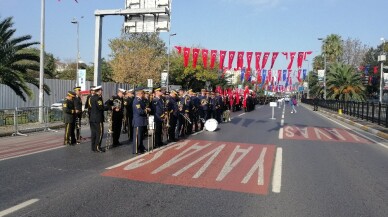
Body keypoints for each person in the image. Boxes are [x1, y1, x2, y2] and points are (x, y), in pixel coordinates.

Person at [89, 86, 107, 152]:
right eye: (101, 90)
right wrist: (109, 107)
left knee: (94, 133)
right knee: (99, 133)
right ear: (98, 91)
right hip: (98, 119)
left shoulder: (92, 97)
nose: (101, 92)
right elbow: (101, 107)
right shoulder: (98, 98)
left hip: (92, 118)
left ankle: (93, 147)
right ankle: (97, 147)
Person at [132, 88, 150, 154]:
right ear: (140, 94)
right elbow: (139, 111)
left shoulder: (140, 100)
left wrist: (146, 109)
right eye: (143, 93)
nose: (144, 95)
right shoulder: (136, 101)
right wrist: (146, 110)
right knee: (137, 137)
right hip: (138, 121)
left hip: (141, 121)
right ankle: (136, 150)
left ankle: (141, 148)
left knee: (141, 136)